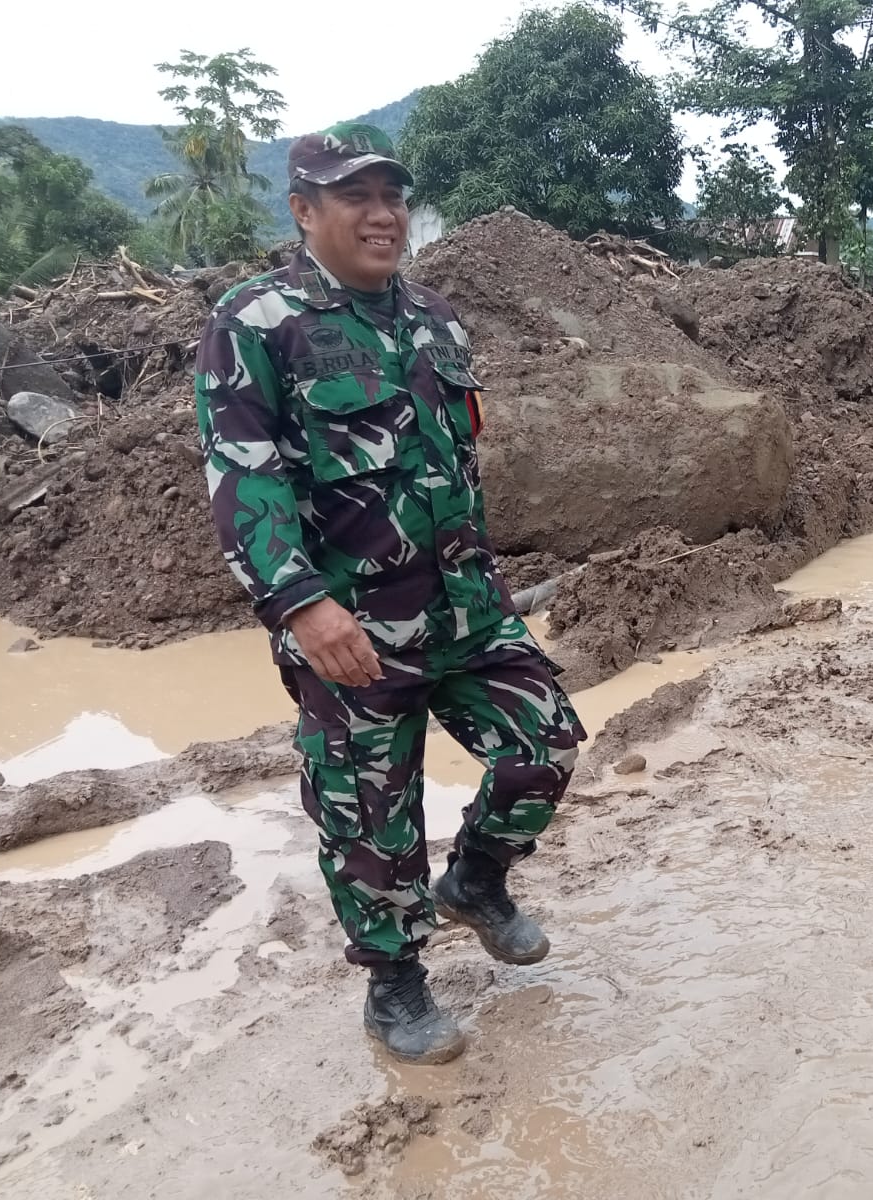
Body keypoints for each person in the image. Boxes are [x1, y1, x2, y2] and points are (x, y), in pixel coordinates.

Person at [194, 123, 586, 1065]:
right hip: (348, 626)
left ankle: (478, 882)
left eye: (392, 197)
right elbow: (244, 477)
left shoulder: (437, 320)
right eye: (355, 197)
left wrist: (487, 581)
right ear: (303, 211)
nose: (382, 215)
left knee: (546, 745)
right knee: (372, 810)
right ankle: (396, 985)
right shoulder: (258, 321)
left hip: (467, 607)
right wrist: (298, 604)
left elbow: (458, 468)